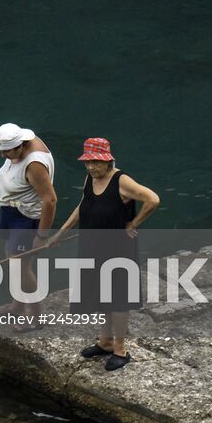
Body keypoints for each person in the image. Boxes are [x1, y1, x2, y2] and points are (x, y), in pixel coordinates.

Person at [50, 137, 160, 372]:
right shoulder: (91, 178)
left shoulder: (122, 181)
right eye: (87, 162)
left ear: (108, 160)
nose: (91, 167)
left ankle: (120, 348)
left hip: (118, 248)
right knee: (99, 293)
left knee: (118, 298)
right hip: (93, 246)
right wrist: (59, 234)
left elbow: (152, 199)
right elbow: (83, 205)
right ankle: (105, 341)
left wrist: (134, 223)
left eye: (96, 162)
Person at [0, 122, 57, 320]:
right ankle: (17, 306)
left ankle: (36, 317)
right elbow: (9, 172)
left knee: (21, 268)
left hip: (25, 220)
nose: (3, 156)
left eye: (7, 152)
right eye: (0, 151)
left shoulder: (34, 165)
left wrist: (42, 236)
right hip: (12, 214)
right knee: (15, 263)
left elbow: (50, 200)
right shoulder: (19, 145)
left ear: (21, 145)